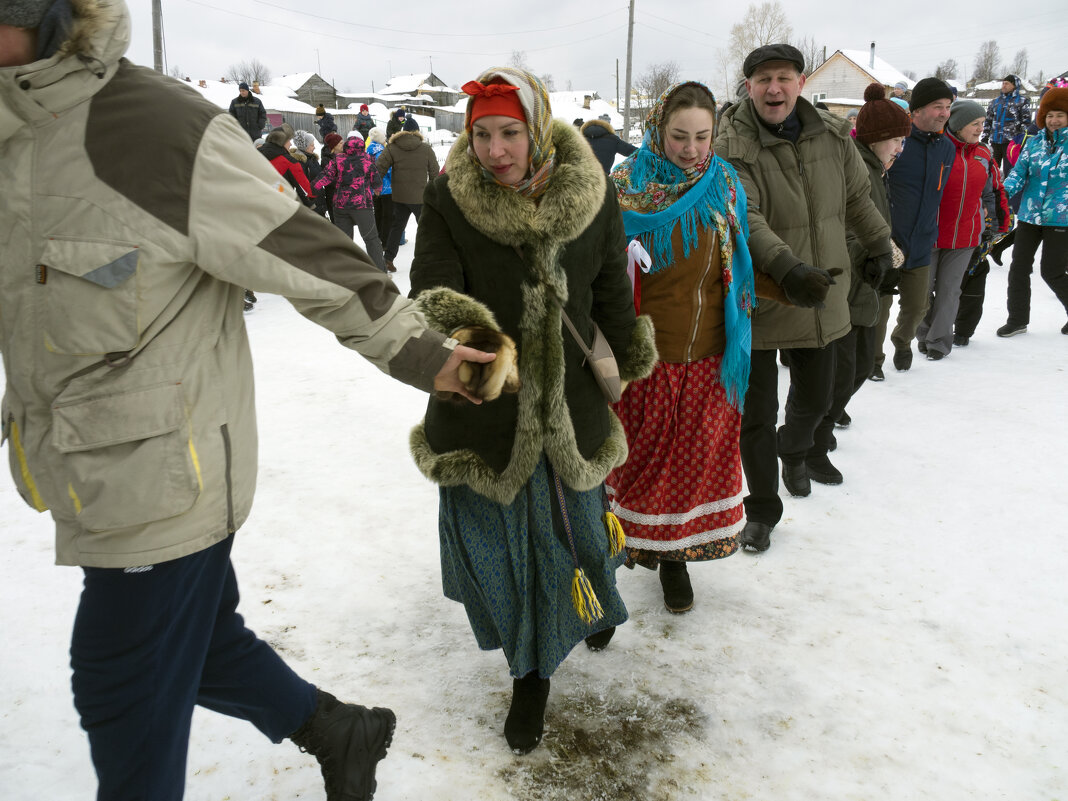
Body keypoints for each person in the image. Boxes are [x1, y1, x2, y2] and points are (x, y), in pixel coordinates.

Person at [0, 4, 499, 800]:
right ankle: (341, 731)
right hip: (80, 461)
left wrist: (426, 353)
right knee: (199, 645)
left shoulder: (151, 129)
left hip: (167, 471)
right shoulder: (12, 128)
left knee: (118, 682)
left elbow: (305, 248)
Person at [407, 66, 657, 755]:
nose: (494, 150)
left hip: (572, 404)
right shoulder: (449, 198)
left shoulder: (591, 195)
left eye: (509, 132)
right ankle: (531, 673)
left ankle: (590, 601)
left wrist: (626, 359)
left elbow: (611, 288)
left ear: (538, 128)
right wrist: (475, 348)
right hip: (487, 404)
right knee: (506, 552)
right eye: (481, 133)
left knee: (575, 528)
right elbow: (431, 289)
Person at [714, 44, 891, 552]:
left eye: (784, 78)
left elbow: (857, 197)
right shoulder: (731, 145)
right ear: (748, 87)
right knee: (757, 416)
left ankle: (796, 451)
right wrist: (787, 269)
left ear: (801, 82)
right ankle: (763, 510)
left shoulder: (832, 135)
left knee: (818, 398)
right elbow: (744, 217)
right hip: (766, 295)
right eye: (764, 79)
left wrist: (880, 247)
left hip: (825, 291)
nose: (775, 88)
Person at [606, 82, 754, 612]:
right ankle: (601, 580)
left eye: (702, 136)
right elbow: (597, 274)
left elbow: (742, 254)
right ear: (656, 128)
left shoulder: (725, 182)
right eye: (678, 135)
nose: (691, 149)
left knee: (686, 472)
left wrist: (793, 278)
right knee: (634, 470)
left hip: (711, 357)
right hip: (647, 359)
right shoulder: (624, 187)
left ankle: (673, 562)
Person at [831, 83, 911, 439]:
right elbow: (844, 229)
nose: (899, 148)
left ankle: (828, 414)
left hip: (865, 282)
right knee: (849, 366)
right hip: (848, 286)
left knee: (859, 364)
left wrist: (889, 247)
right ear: (876, 138)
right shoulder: (859, 170)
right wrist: (877, 255)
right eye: (895, 139)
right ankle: (815, 429)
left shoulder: (876, 168)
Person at [870, 77, 955, 379]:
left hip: (922, 242)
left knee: (918, 306)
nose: (944, 113)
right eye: (937, 107)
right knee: (879, 306)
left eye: (947, 107)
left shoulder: (947, 148)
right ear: (916, 111)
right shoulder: (897, 141)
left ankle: (902, 341)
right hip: (888, 241)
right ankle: (874, 359)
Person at [915, 100, 1011, 359]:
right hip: (931, 234)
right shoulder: (935, 149)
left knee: (950, 291)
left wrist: (999, 221)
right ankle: (923, 335)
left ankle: (938, 343)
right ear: (957, 125)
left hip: (966, 236)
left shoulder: (984, 154)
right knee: (922, 291)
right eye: (974, 124)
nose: (981, 129)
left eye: (982, 123)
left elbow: (992, 190)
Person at [996, 87, 1068, 337]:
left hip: (1061, 217)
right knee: (1019, 268)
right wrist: (1000, 194)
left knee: (1052, 270)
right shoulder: (1034, 143)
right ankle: (1017, 319)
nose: (1053, 120)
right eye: (1049, 115)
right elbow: (1018, 173)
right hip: (1029, 214)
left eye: (1060, 114)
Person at [314, 132, 388, 271]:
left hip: (340, 206)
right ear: (361, 147)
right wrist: (377, 190)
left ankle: (345, 273)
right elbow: (377, 183)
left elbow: (325, 176)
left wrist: (311, 190)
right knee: (372, 240)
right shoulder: (367, 161)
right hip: (362, 206)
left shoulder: (337, 160)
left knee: (345, 242)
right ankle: (380, 272)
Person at [376, 114, 439, 272]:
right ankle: (431, 260)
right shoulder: (425, 148)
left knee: (397, 227)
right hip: (420, 197)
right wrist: (433, 190)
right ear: (417, 131)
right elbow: (435, 171)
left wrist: (375, 185)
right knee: (426, 229)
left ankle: (388, 259)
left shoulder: (392, 147)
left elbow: (379, 168)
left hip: (400, 197)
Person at [982, 74, 1031, 173]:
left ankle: (1007, 188)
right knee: (991, 169)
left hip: (1011, 142)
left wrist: (1021, 139)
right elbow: (988, 120)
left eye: (1007, 84)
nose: (1004, 86)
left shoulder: (1022, 101)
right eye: (1003, 83)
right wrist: (985, 136)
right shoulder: (995, 102)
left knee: (1010, 170)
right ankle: (992, 187)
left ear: (1014, 85)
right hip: (995, 141)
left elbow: (1026, 122)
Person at [365, 126, 396, 261]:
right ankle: (385, 241)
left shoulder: (368, 149)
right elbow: (385, 168)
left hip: (373, 187)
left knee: (377, 213)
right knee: (388, 214)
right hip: (386, 187)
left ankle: (377, 238)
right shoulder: (381, 151)